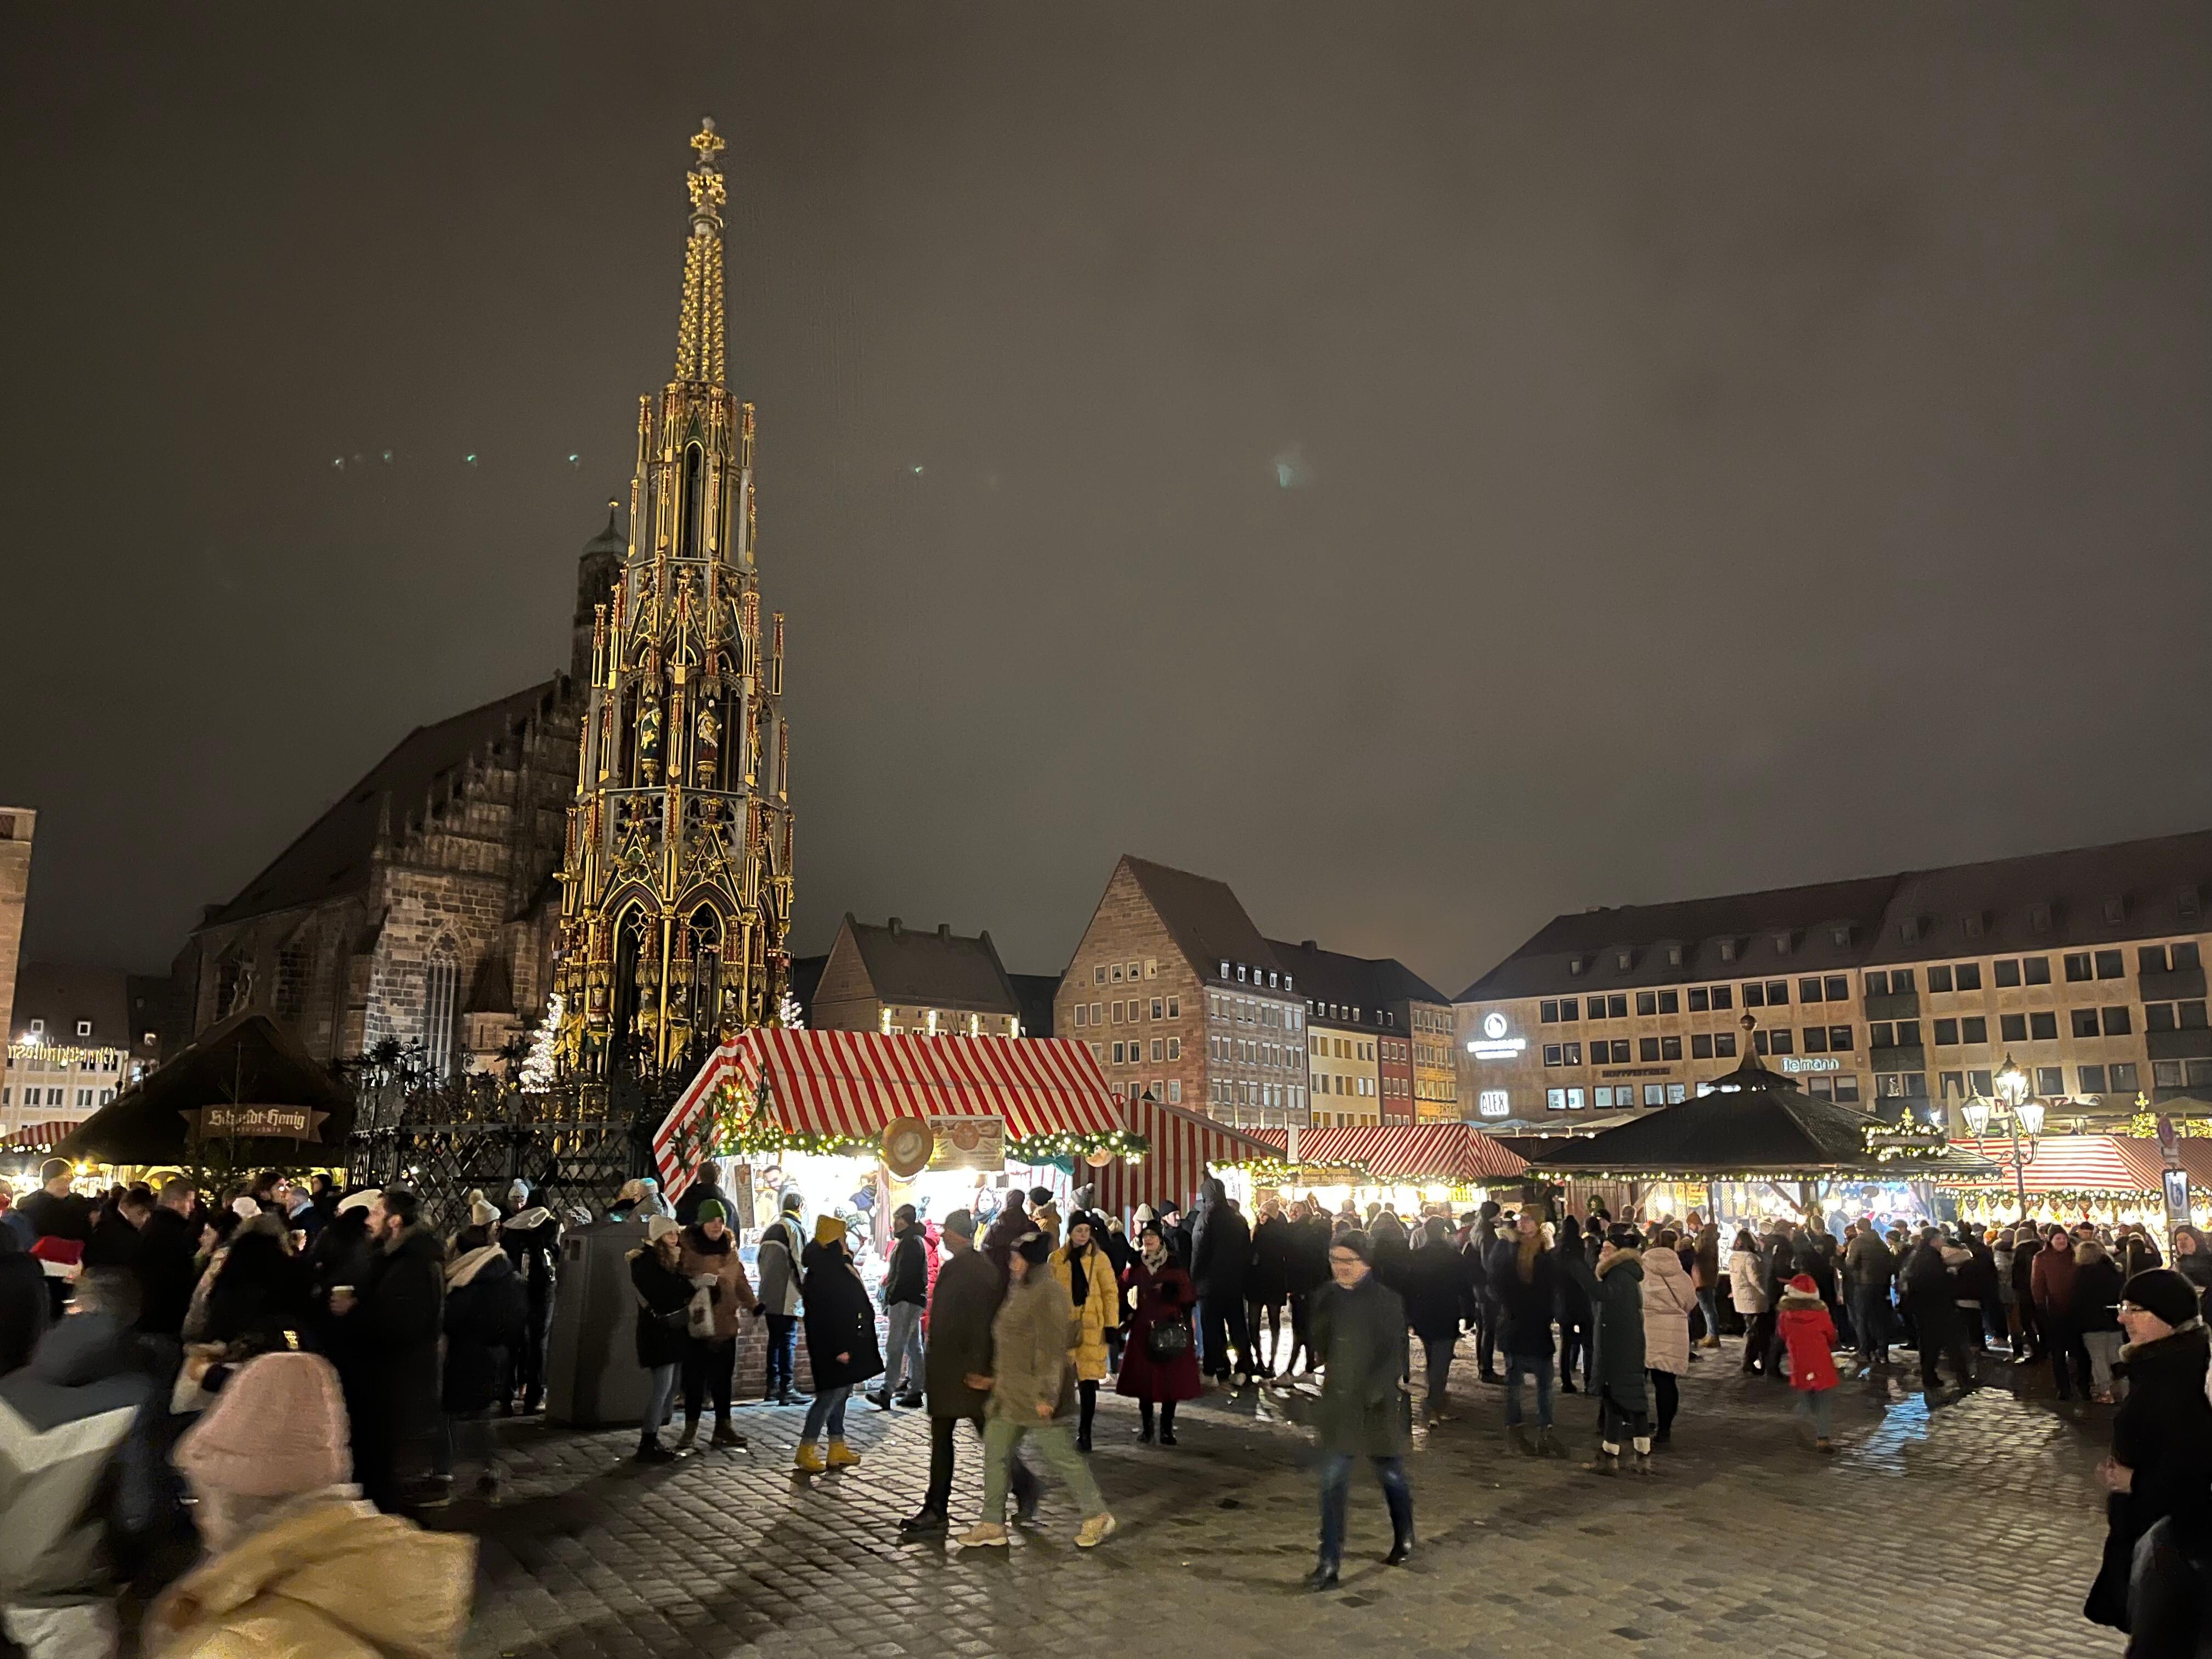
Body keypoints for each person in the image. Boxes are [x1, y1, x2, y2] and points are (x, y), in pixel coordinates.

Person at [145, 1350, 474, 1659]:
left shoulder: (241, 1645)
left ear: (238, 1498)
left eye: (200, 1495)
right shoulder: (386, 1571)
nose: (199, 1514)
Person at [956, 1232, 1116, 1550]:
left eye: (1017, 1258)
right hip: (1010, 1394)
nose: (1012, 1264)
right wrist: (994, 1381)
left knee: (1062, 1458)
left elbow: (1051, 1350)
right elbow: (1014, 1343)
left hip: (1037, 1397)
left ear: (1031, 1261)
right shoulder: (1021, 1290)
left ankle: (1097, 1515)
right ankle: (991, 1523)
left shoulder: (1048, 1294)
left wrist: (1047, 1396)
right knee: (996, 1453)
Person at [2084, 1267, 2212, 1633]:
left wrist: (2134, 1482)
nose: (2122, 1317)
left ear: (2169, 1317)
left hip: (2171, 1547)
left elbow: (2194, 1478)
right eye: (2123, 1306)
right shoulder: (2158, 1367)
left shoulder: (2181, 1381)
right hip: (2150, 1536)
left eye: (2135, 1309)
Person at [901, 1210, 1038, 1536]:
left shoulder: (972, 1269)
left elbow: (979, 1322)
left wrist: (979, 1370)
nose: (943, 1235)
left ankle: (940, 1507)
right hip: (955, 1369)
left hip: (961, 1371)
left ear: (956, 1233)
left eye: (946, 1230)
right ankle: (942, 1504)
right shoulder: (972, 1266)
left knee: (971, 1437)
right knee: (961, 1436)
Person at [1302, 1230, 1413, 1590]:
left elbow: (1393, 1356)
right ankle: (1329, 1561)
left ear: (1366, 1263)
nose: (1340, 1268)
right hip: (1340, 1404)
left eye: (1348, 1261)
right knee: (1332, 1483)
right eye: (1335, 1260)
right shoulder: (1325, 1297)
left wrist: (1377, 1391)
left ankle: (1404, 1533)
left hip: (1376, 1405)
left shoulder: (1387, 1300)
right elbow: (1318, 1340)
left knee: (1391, 1475)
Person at [335, 1188, 444, 1511]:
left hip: (394, 1378)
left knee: (385, 1463)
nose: (369, 1220)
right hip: (388, 1375)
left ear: (394, 1221)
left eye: (376, 1213)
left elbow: (400, 1322)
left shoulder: (412, 1262)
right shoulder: (397, 1256)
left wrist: (353, 1310)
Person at [442, 1219, 525, 1498]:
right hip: (495, 1353)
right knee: (479, 1414)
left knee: (452, 1413)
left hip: (469, 1352)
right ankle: (487, 1468)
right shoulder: (504, 1273)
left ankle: (444, 1470)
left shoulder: (470, 1280)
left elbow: (452, 1318)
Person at [1562, 1226, 1651, 1475]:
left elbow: (1602, 1294)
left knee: (1628, 1399)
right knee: (1616, 1399)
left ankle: (1635, 1456)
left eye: (1608, 1250)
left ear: (1619, 1254)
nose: (1603, 1254)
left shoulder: (1620, 1275)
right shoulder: (1621, 1273)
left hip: (1621, 1347)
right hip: (1622, 1345)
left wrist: (1580, 1271)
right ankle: (1615, 1454)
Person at [797, 1216, 882, 1473]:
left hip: (844, 1343)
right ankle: (807, 1447)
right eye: (843, 1237)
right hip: (834, 1346)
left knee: (842, 1393)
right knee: (829, 1396)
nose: (847, 1241)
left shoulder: (833, 1265)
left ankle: (837, 1445)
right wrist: (840, 1348)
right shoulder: (826, 1271)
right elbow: (830, 1315)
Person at [674, 1200, 756, 1450]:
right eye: (712, 1221)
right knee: (695, 1380)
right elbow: (678, 1278)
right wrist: (695, 1283)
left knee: (723, 1381)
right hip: (700, 1325)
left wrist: (754, 1304)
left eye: (721, 1221)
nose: (717, 1226)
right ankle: (690, 1429)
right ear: (702, 1222)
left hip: (726, 1324)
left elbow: (739, 1280)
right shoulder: (688, 1246)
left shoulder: (729, 1248)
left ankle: (723, 1427)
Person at [1118, 1221, 1200, 1444]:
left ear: (1161, 1239)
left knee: (1169, 1379)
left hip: (1170, 1325)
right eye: (1146, 1236)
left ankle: (1167, 1428)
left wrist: (1171, 1292)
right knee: (1144, 1379)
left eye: (1153, 1235)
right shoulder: (1136, 1265)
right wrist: (1125, 1314)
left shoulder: (1173, 1264)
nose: (1149, 1239)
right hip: (1144, 1325)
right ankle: (1147, 1427)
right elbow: (1120, 1286)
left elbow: (1188, 1294)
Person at [1491, 1206, 1562, 1457]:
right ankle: (1515, 1427)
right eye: (1522, 1218)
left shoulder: (1546, 1250)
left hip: (1539, 1324)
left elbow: (1553, 1283)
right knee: (1515, 1381)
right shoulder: (1507, 1247)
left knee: (1544, 1382)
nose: (1523, 1223)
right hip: (1516, 1322)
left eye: (1530, 1218)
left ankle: (1546, 1429)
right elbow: (1497, 1281)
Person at [1051, 1215, 1119, 1451]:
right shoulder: (1057, 1260)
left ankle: (1085, 1432)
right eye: (1079, 1230)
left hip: (1093, 1327)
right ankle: (1060, 1432)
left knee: (1088, 1382)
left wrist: (1112, 1325)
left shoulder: (1100, 1259)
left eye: (1086, 1230)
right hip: (1065, 1327)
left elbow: (1111, 1293)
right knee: (1062, 1383)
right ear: (1070, 1232)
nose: (1083, 1234)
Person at [628, 1215, 692, 1463]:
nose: (676, 1238)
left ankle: (652, 1438)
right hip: (659, 1333)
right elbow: (665, 1294)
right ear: (658, 1237)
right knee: (661, 1389)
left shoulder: (667, 1260)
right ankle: (648, 1439)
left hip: (671, 1332)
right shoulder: (646, 1262)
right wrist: (689, 1286)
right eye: (670, 1234)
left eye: (677, 1233)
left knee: (669, 1388)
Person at [498, 1180, 560, 1415]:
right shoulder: (549, 1224)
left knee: (512, 1342)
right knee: (538, 1343)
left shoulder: (511, 1226)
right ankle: (533, 1397)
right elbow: (555, 1253)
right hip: (542, 1289)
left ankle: (506, 1395)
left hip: (515, 1286)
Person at [1190, 1176, 1254, 1387]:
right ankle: (1244, 1368)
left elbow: (1198, 1253)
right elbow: (1248, 1252)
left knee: (1212, 1329)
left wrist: (1193, 1280)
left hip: (1210, 1286)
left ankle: (1214, 1369)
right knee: (1237, 1326)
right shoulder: (1238, 1218)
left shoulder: (1205, 1218)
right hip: (1236, 1285)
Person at [1405, 1216, 1464, 1424]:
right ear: (1442, 1232)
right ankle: (1434, 1402)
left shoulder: (1416, 1257)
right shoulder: (1454, 1257)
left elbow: (1409, 1288)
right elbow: (1464, 1287)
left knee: (1433, 1356)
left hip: (1423, 1313)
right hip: (1447, 1312)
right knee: (1441, 1359)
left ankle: (1434, 1398)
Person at [1640, 1227, 1695, 1446]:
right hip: (1672, 1330)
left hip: (1644, 1329)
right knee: (1666, 1382)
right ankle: (1664, 1429)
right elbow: (1690, 1301)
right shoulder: (1681, 1276)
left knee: (1638, 1381)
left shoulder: (1641, 1272)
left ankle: (1638, 1424)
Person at [870, 1204, 928, 1410]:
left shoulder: (910, 1243)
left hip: (905, 1300)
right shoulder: (912, 1242)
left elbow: (903, 1276)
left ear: (903, 1220)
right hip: (912, 1299)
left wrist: (891, 1297)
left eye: (896, 1219)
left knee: (895, 1346)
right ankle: (915, 1389)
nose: (894, 1223)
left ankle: (888, 1390)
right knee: (913, 1346)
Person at [1776, 1272, 1841, 1452]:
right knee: (1824, 1400)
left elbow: (1782, 1335)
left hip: (1799, 1362)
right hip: (1821, 1361)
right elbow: (1831, 1336)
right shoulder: (1821, 1314)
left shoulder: (1785, 1316)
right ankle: (1823, 1438)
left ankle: (1800, 1419)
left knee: (1806, 1396)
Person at [134, 1178, 202, 1342]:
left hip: (148, 1315)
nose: (193, 1208)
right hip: (165, 1320)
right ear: (174, 1202)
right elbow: (181, 1277)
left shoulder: (154, 1226)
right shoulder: (172, 1233)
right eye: (189, 1201)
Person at [754, 1195, 805, 1404]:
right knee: (787, 1341)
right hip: (787, 1294)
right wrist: (807, 1291)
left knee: (774, 1341)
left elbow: (759, 1261)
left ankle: (772, 1388)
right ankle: (788, 1388)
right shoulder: (794, 1229)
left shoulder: (771, 1229)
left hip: (768, 1294)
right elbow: (800, 1262)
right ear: (801, 1207)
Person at [2035, 1222, 2087, 1400]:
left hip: (2076, 1310)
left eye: (2064, 1238)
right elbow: (2038, 1284)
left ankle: (2083, 1384)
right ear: (2051, 1240)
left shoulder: (2075, 1255)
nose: (2061, 1241)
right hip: (2055, 1312)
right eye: (2058, 1238)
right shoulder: (2042, 1258)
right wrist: (2041, 1304)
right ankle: (2063, 1388)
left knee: (2079, 1351)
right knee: (2058, 1353)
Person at [2074, 1236, 2129, 1406]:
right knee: (2117, 1356)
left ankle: (2106, 1392)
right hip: (2114, 1320)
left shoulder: (2082, 1274)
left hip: (2092, 1322)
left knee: (2098, 1358)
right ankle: (2125, 1391)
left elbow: (2079, 1300)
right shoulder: (2113, 1271)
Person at [1843, 1216, 1895, 1368]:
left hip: (1864, 1285)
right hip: (1881, 1286)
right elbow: (1890, 1264)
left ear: (1859, 1228)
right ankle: (1883, 1352)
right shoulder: (1881, 1244)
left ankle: (1865, 1350)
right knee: (1879, 1319)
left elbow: (1850, 1264)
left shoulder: (1857, 1242)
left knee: (1862, 1318)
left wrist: (1841, 1260)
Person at [1249, 1199, 1293, 1377]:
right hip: (1274, 1281)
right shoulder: (1283, 1231)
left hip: (1257, 1281)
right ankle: (1270, 1363)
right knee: (1274, 1323)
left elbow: (1252, 1254)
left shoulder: (1259, 1230)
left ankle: (1260, 1361)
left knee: (1254, 1323)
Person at [1556, 1214, 1594, 1393]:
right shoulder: (1580, 1247)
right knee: (1588, 1344)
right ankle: (1589, 1381)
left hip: (1563, 1302)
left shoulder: (1557, 1249)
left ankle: (1566, 1381)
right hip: (1581, 1300)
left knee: (1566, 1343)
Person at [1730, 1228, 1774, 1375]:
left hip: (1741, 1299)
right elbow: (1755, 1280)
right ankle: (1749, 1362)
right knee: (1756, 1333)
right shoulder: (1750, 1258)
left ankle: (1753, 1361)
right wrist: (1766, 1293)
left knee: (1752, 1330)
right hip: (1753, 1299)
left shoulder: (1734, 1257)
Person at [1691, 1218, 1722, 1350]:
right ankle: (1711, 1334)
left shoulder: (1706, 1240)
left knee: (1708, 1308)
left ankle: (1713, 1335)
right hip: (1706, 1277)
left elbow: (1701, 1256)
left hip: (1703, 1277)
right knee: (1708, 1308)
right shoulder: (1708, 1239)